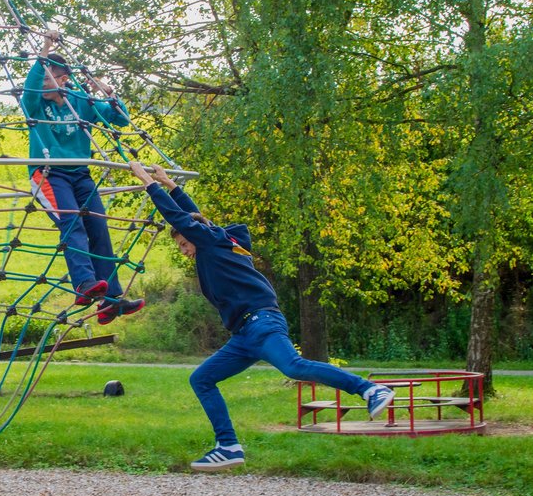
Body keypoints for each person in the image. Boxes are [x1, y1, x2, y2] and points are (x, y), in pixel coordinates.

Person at [125, 161, 396, 472]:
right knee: (201, 379)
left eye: (185, 244)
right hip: (243, 335)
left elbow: (182, 219)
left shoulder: (211, 244)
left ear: (197, 237)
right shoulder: (222, 240)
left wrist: (147, 181)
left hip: (261, 323)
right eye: (182, 246)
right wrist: (172, 185)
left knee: (294, 366)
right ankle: (227, 445)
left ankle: (369, 389)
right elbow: (196, 219)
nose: (185, 250)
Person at [21, 29, 144, 325]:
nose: (55, 78)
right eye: (50, 72)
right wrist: (46, 47)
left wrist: (108, 92)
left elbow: (120, 118)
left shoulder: (79, 101)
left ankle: (111, 299)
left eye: (59, 74)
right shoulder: (36, 104)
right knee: (72, 221)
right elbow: (31, 85)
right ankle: (84, 284)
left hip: (79, 174)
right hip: (48, 174)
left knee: (98, 227)